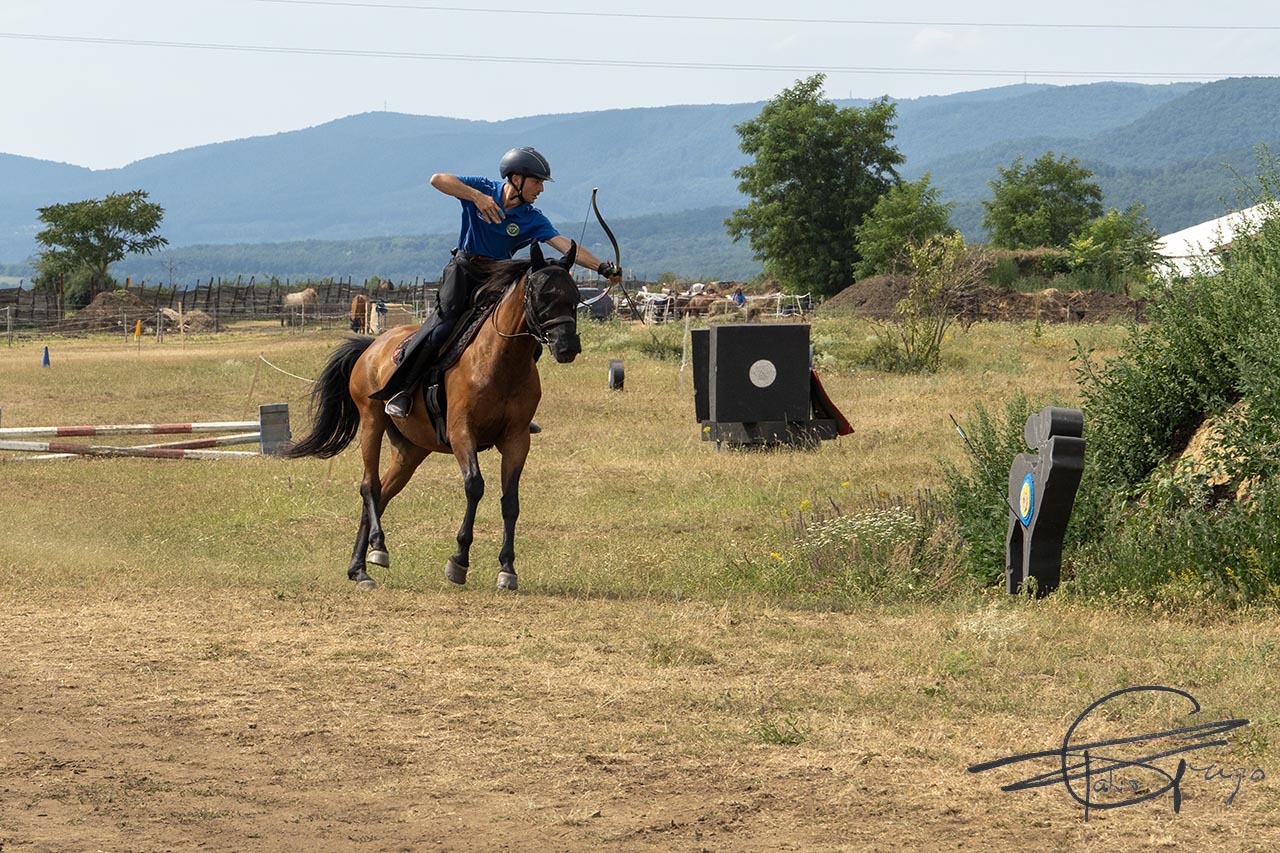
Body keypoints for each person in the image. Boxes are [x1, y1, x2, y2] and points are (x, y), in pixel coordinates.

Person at [372, 146, 622, 418]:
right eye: (537, 181)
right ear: (517, 179)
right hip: (464, 270)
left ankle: (513, 409)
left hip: (498, 277)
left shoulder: (532, 218)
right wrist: (477, 198)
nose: (540, 189)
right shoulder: (483, 188)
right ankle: (403, 390)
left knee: (530, 340)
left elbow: (564, 244)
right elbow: (437, 179)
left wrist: (602, 267)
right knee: (442, 327)